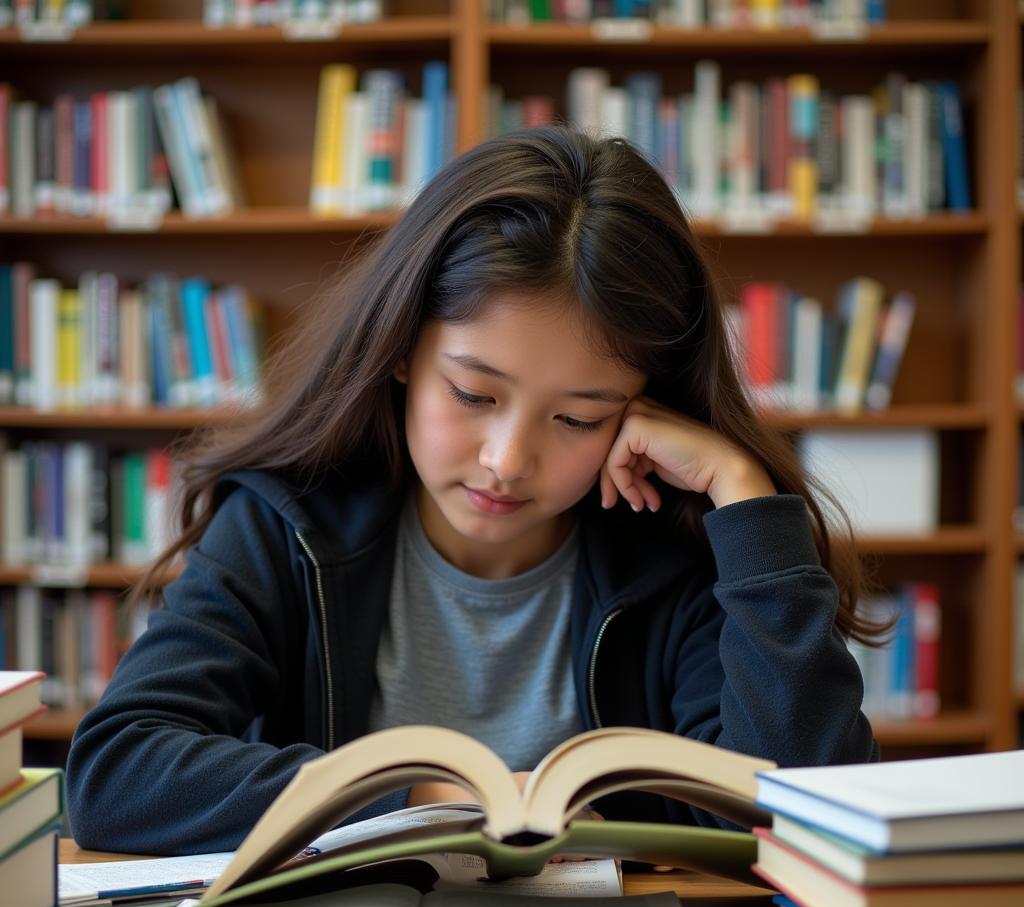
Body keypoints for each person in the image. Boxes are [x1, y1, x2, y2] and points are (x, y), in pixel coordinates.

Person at [65, 125, 879, 856]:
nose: (506, 460)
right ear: (400, 351)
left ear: (643, 408)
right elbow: (115, 775)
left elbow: (806, 810)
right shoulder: (286, 522)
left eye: (577, 417)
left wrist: (742, 493)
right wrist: (418, 799)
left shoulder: (678, 552)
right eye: (473, 395)